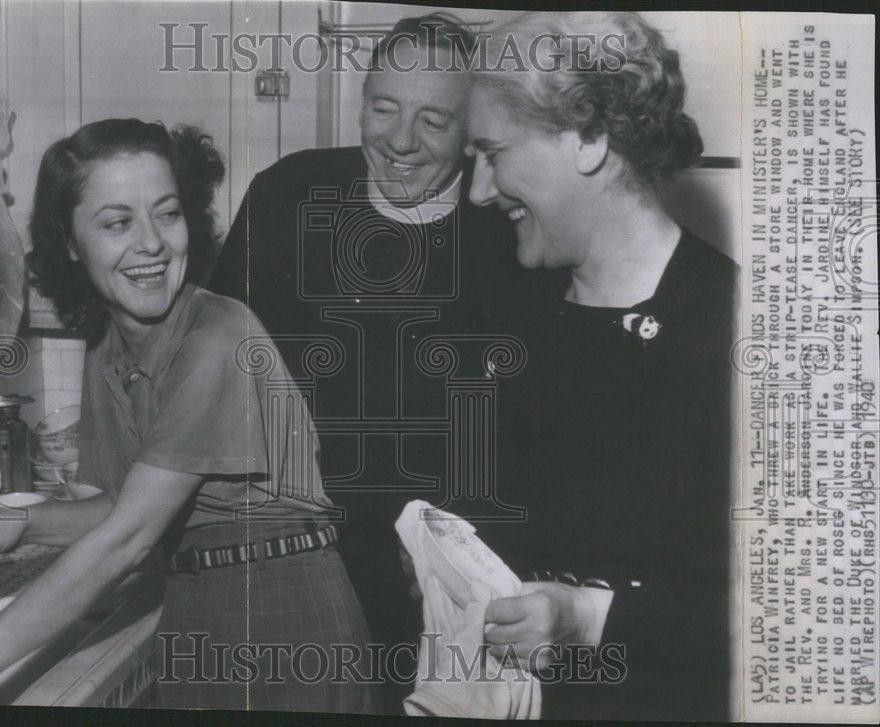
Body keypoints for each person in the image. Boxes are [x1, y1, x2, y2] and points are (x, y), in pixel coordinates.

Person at [0, 119, 375, 712]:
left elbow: (130, 539)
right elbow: (121, 505)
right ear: (70, 242)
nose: (152, 244)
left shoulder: (219, 333)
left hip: (284, 611)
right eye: (118, 223)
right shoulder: (109, 348)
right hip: (198, 602)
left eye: (167, 214)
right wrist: (18, 524)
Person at [209, 12, 555, 713]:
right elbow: (213, 373)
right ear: (360, 102)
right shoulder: (290, 195)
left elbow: (544, 437)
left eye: (433, 120)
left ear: (472, 133)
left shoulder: (514, 238)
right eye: (384, 108)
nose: (399, 141)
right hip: (293, 568)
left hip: (442, 592)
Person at [461, 12, 737, 720]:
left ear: (586, 137)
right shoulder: (506, 309)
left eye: (493, 153)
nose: (478, 191)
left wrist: (588, 617)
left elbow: (788, 614)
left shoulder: (734, 327)